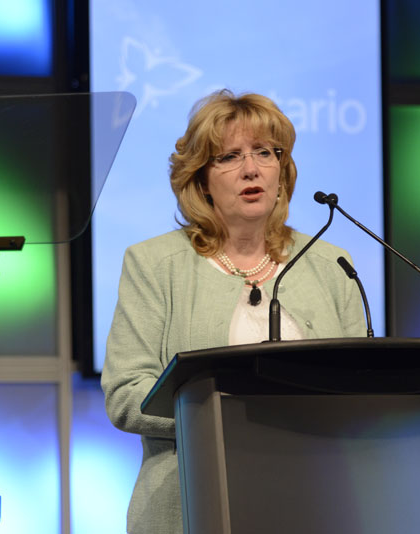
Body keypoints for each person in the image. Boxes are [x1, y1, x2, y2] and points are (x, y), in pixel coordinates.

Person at [101, 89, 367, 533]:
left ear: (282, 171)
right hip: (190, 505)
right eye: (229, 157)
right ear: (201, 179)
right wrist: (233, 417)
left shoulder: (331, 263)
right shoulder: (153, 264)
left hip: (313, 502)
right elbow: (127, 393)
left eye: (265, 152)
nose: (251, 168)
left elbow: (363, 387)